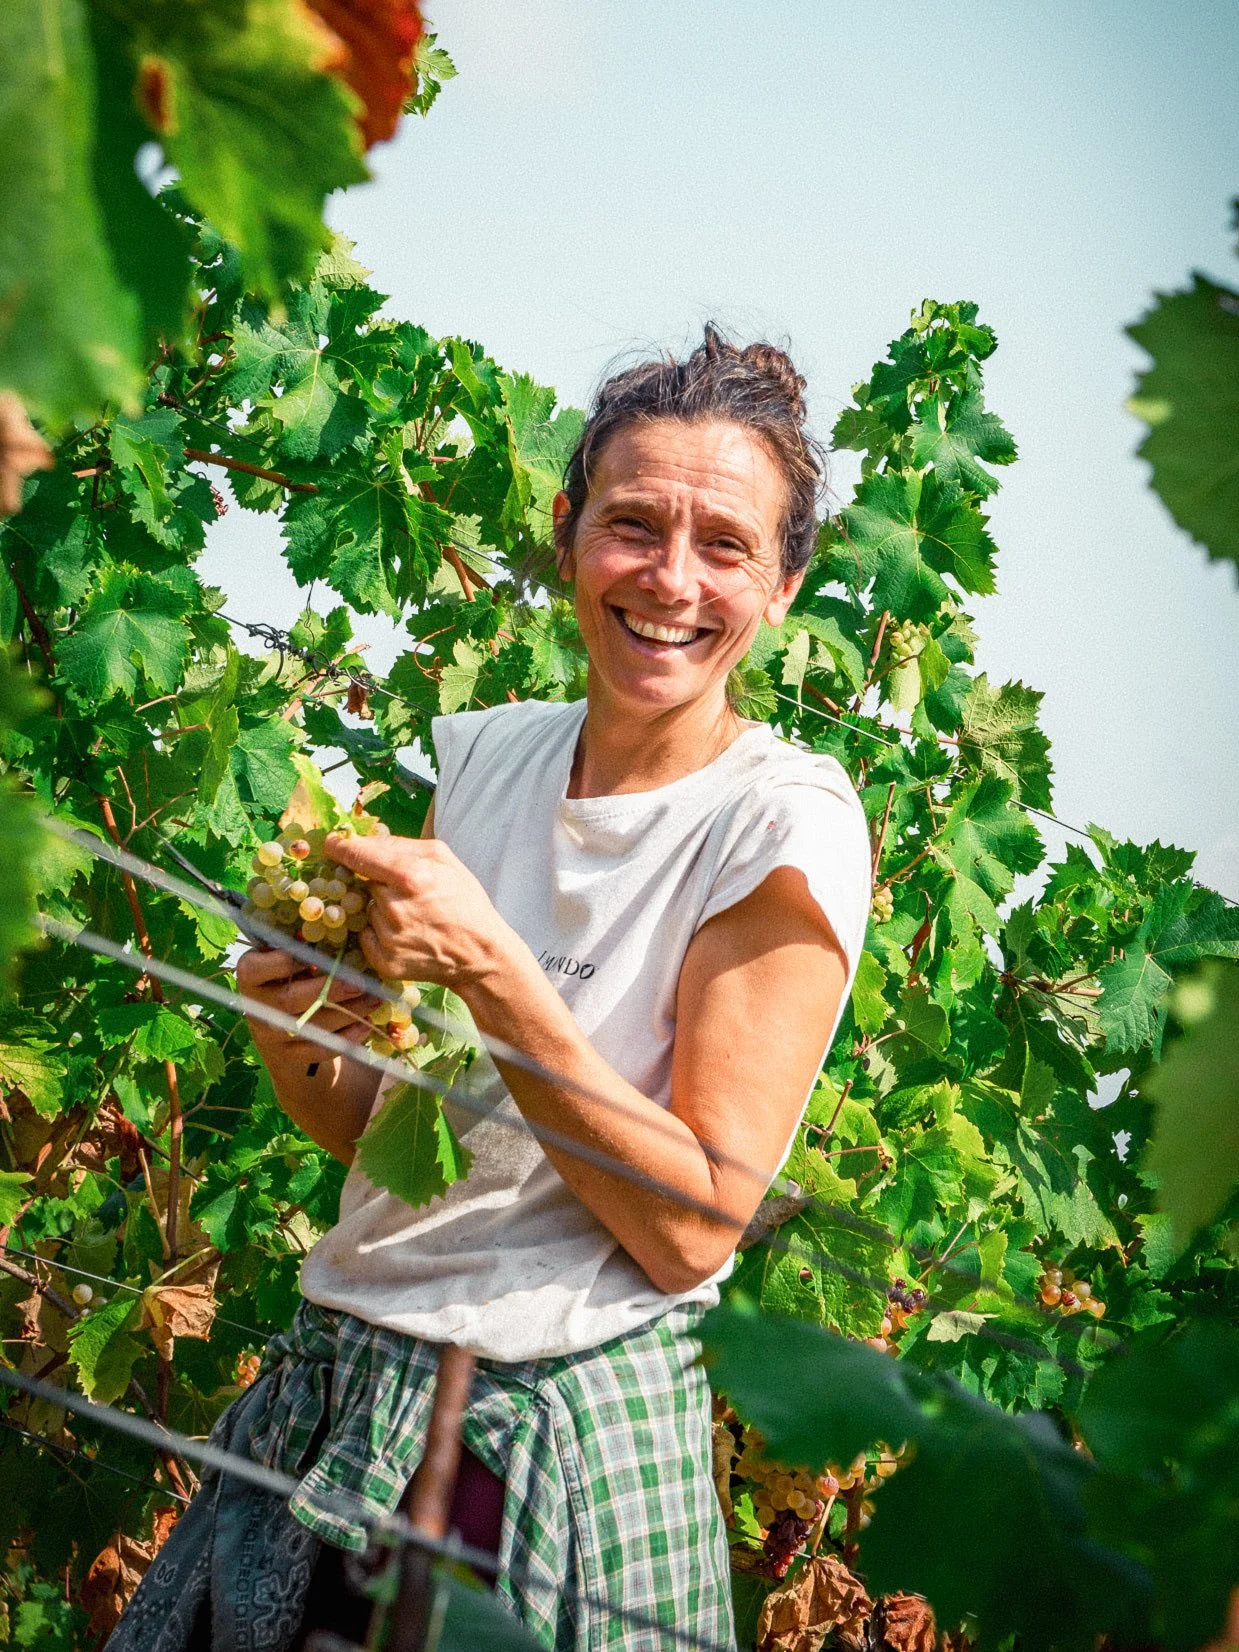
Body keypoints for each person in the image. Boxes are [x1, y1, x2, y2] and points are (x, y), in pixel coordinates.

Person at [108, 327, 872, 1652]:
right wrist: (293, 1015)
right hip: (339, 1389)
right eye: (632, 526)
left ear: (785, 584)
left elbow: (693, 1230)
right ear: (568, 534)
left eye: (726, 546)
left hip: (546, 1437)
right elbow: (385, 1143)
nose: (671, 579)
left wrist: (491, 968)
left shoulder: (780, 824)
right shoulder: (493, 760)